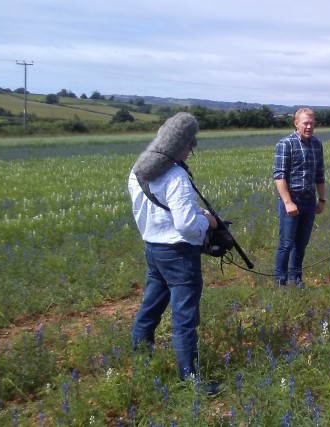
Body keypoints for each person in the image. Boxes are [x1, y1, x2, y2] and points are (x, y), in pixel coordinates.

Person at [127, 112, 220, 391]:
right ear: (179, 144)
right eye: (190, 146)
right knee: (184, 318)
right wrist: (209, 221)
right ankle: (190, 380)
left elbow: (155, 209)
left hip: (153, 249)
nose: (190, 152)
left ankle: (142, 364)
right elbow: (187, 225)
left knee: (150, 307)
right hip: (179, 254)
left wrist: (194, 211)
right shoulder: (176, 175)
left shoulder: (138, 170)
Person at [273, 108, 326, 286]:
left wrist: (322, 199)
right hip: (292, 200)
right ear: (296, 124)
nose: (309, 126)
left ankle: (296, 279)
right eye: (305, 123)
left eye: (312, 123)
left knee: (301, 244)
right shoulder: (285, 144)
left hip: (309, 201)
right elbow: (279, 176)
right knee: (286, 243)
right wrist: (288, 202)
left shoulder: (317, 144)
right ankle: (280, 282)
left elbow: (320, 174)